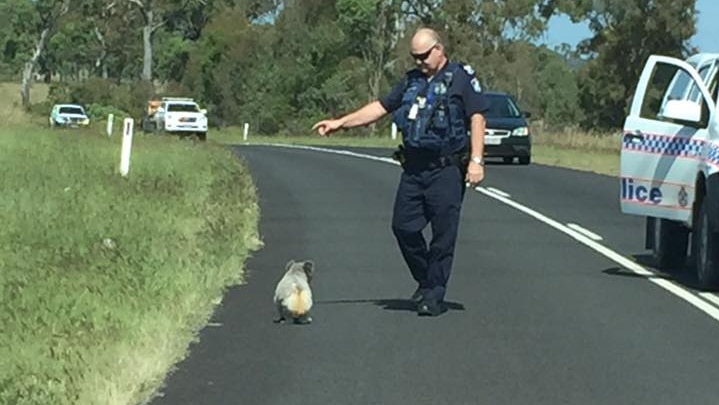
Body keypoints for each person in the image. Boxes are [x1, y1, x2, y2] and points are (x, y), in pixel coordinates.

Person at [312, 27, 489, 317]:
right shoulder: (411, 81)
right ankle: (426, 279)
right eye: (414, 56)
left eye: (423, 56)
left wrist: (477, 161)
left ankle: (433, 295)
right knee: (403, 227)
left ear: (439, 49)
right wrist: (340, 122)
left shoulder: (461, 78)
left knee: (443, 235)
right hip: (414, 168)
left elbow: (477, 117)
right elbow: (380, 107)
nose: (419, 61)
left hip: (445, 169)